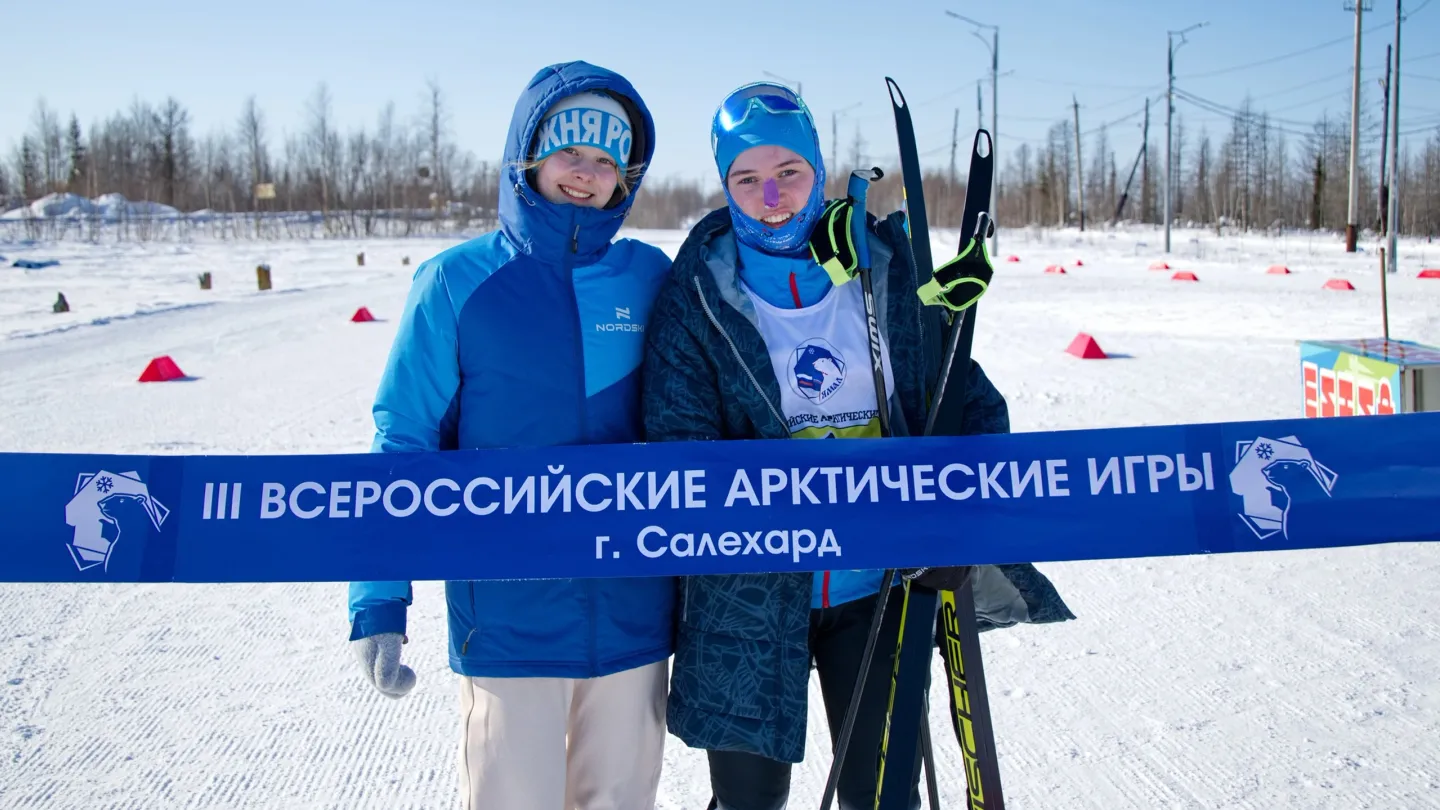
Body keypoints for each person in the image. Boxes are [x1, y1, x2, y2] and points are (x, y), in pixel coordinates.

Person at [641, 81, 1075, 810]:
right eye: (746, 178)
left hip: (881, 585)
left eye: (789, 172)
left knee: (882, 794)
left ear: (817, 168)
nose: (770, 195)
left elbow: (966, 405)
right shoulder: (696, 295)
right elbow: (680, 450)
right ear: (725, 185)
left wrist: (954, 519)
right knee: (748, 799)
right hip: (746, 596)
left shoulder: (888, 270)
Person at [347, 61, 675, 810]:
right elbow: (403, 444)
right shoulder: (457, 283)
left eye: (606, 161)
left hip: (634, 615)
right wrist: (378, 601)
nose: (588, 176)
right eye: (570, 153)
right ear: (527, 154)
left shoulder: (651, 278)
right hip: (507, 621)